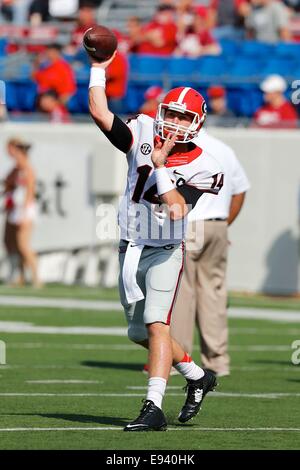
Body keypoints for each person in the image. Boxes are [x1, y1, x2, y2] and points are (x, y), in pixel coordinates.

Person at [88, 50, 224, 431]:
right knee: (138, 332)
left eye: (183, 117)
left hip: (165, 250)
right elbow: (101, 114)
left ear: (197, 123)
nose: (175, 122)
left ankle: (153, 407)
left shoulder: (206, 165)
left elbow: (177, 210)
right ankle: (197, 376)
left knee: (155, 324)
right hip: (129, 246)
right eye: (172, 113)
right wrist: (98, 68)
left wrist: (161, 167)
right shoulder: (144, 128)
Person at [170, 129, 250, 377]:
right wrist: (224, 225)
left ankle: (178, 358)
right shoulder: (224, 148)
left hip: (189, 224)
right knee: (213, 293)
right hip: (217, 224)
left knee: (181, 293)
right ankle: (217, 360)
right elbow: (240, 190)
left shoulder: (181, 148)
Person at [3, 137, 41, 287]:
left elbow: (30, 192)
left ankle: (36, 278)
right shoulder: (15, 170)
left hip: (24, 210)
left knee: (24, 245)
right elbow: (8, 186)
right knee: (10, 243)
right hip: (14, 209)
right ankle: (19, 275)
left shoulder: (27, 169)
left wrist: (24, 213)